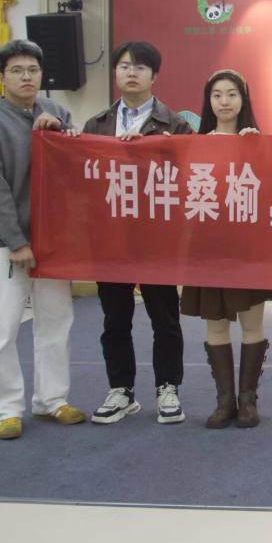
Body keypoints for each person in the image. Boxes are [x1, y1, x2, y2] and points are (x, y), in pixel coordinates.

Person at [0, 39, 86, 439]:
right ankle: (5, 409)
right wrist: (16, 242)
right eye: (17, 71)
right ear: (2, 76)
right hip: (8, 244)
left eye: (33, 70)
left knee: (57, 321)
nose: (26, 77)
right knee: (4, 328)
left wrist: (62, 132)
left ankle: (52, 400)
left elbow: (73, 163)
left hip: (52, 241)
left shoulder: (55, 111)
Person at [84, 41, 195, 426]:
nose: (131, 72)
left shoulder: (175, 125)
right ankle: (121, 390)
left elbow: (190, 179)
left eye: (141, 67)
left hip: (156, 238)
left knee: (165, 317)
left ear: (154, 76)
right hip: (111, 237)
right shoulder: (97, 125)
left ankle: (168, 388)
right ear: (115, 73)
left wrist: (154, 152)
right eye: (125, 66)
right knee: (115, 318)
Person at [181, 70, 272, 428]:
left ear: (244, 100)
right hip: (208, 246)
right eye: (216, 95)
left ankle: (248, 400)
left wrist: (256, 151)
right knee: (215, 327)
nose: (224, 102)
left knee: (252, 325)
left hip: (250, 246)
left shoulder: (257, 142)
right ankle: (224, 401)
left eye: (231, 94)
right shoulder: (195, 143)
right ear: (208, 101)